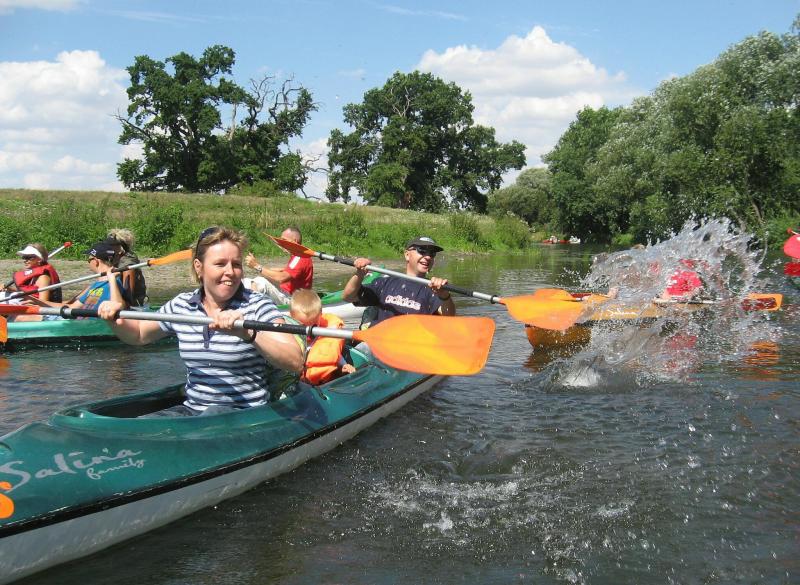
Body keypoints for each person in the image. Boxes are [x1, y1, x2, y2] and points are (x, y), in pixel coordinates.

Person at [97, 226, 304, 415]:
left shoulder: (258, 305)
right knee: (143, 424)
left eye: (236, 264)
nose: (230, 272)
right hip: (194, 411)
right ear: (199, 267)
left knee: (214, 412)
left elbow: (295, 361)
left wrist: (247, 333)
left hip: (244, 415)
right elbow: (138, 334)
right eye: (220, 264)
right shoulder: (181, 306)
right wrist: (113, 319)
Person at [342, 236, 456, 331]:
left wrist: (445, 296)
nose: (428, 257)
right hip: (378, 342)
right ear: (407, 255)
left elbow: (449, 318)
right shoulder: (385, 282)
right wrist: (359, 274)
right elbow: (348, 296)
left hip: (408, 347)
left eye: (432, 253)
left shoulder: (434, 290)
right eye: (422, 250)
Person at [11, 241, 128, 322]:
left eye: (89, 259)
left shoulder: (113, 281)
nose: (88, 262)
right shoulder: (95, 285)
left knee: (21, 318)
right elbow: (71, 306)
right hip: (76, 320)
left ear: (96, 261)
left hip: (87, 324)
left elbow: (119, 306)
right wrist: (37, 301)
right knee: (18, 316)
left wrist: (112, 279)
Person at [290, 288, 356, 385]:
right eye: (303, 326)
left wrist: (344, 365)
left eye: (314, 326)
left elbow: (333, 352)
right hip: (299, 382)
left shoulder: (325, 333)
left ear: (320, 314)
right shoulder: (290, 338)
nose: (309, 331)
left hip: (324, 381)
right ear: (291, 317)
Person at [245, 226, 313, 305]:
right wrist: (269, 270)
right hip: (289, 295)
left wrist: (257, 266)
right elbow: (291, 271)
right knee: (247, 281)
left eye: (284, 240)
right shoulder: (299, 256)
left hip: (294, 300)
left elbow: (281, 278)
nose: (281, 244)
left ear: (295, 241)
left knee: (262, 282)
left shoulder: (300, 258)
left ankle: (252, 306)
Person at [106, 228, 148, 306]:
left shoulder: (128, 265)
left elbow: (128, 294)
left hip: (133, 305)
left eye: (111, 246)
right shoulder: (114, 259)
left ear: (120, 248)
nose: (107, 248)